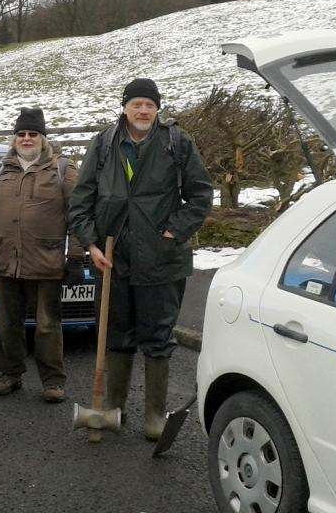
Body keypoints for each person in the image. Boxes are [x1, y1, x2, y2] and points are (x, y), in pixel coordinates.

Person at [68, 78, 213, 440]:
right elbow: (81, 200)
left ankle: (154, 416)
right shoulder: (103, 144)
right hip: (112, 259)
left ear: (157, 109)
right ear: (125, 108)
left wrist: (172, 232)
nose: (143, 111)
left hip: (162, 259)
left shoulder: (176, 143)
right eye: (137, 104)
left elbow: (200, 195)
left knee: (158, 336)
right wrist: (91, 244)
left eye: (150, 104)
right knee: (117, 334)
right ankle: (113, 410)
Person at [0, 107, 84, 403]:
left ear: (42, 138)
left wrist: (75, 257)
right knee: (8, 323)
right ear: (14, 138)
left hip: (46, 263)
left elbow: (78, 216)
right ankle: (10, 373)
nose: (26, 138)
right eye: (21, 134)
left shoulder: (62, 168)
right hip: (6, 262)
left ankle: (52, 381)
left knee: (48, 326)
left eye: (32, 133)